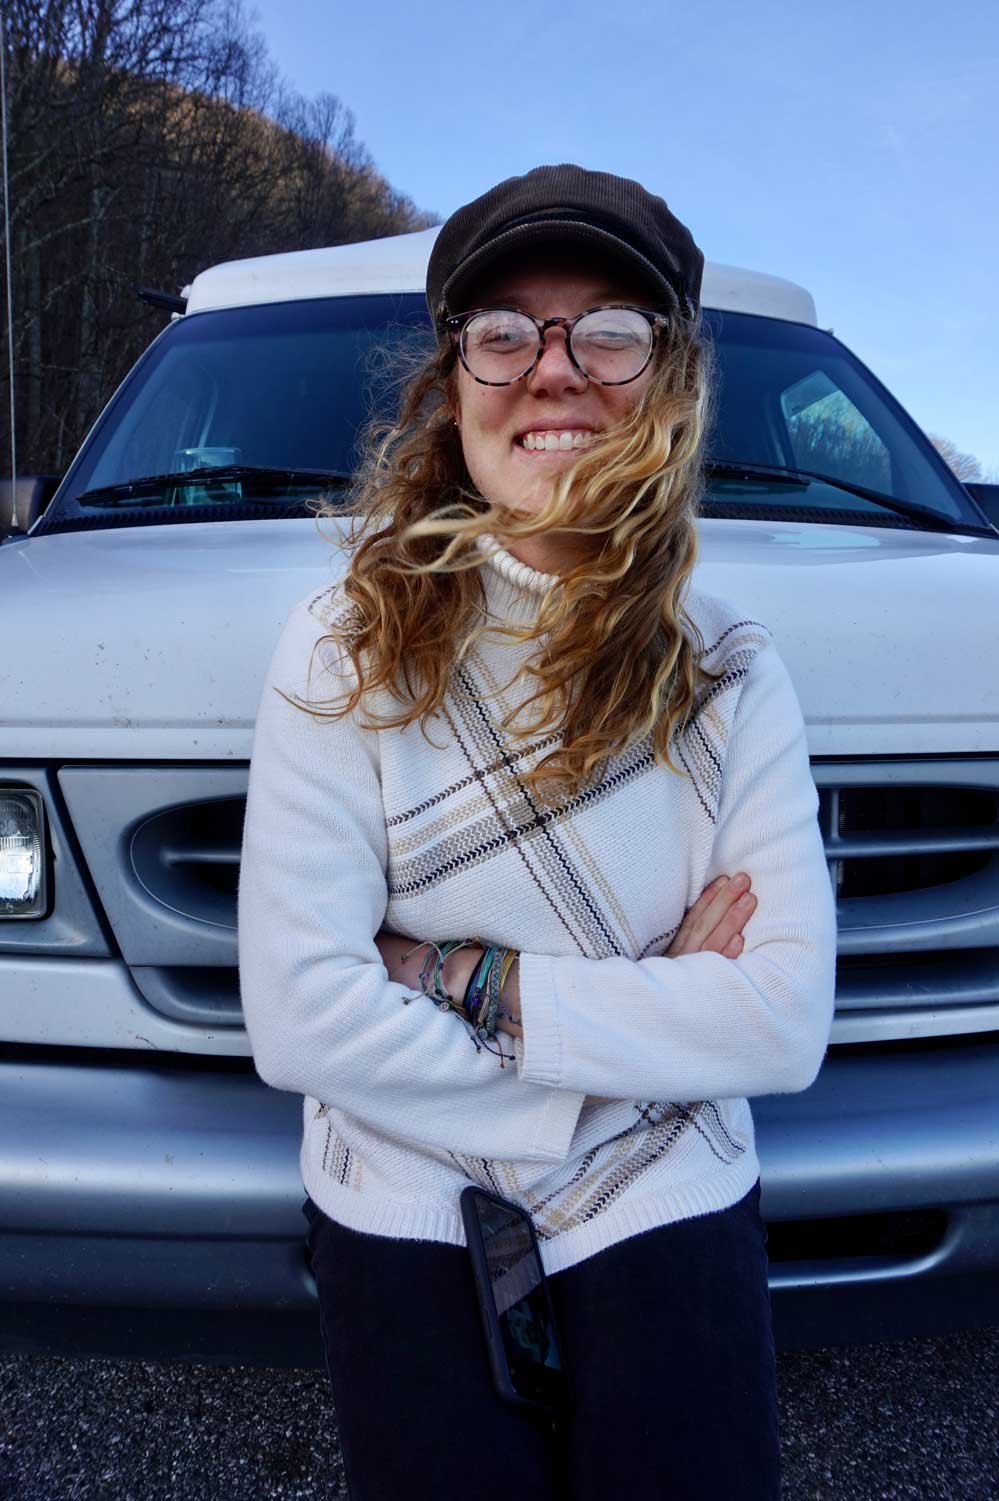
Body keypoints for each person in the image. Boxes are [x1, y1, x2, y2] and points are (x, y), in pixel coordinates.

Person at [237, 163, 838, 1500]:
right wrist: (655, 1015)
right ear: (452, 387)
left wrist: (463, 975)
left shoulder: (730, 671)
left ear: (670, 382)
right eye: (506, 332)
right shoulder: (346, 646)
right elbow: (297, 1015)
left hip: (667, 1184)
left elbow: (786, 1016)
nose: (554, 370)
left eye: (609, 331)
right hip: (404, 1188)